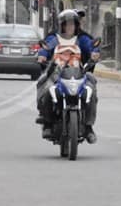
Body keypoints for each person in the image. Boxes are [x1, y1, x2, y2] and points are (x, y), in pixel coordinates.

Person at [35, 9, 100, 143]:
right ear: (61, 25)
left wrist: (94, 52)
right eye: (66, 24)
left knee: (91, 90)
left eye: (72, 24)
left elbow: (91, 45)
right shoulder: (54, 38)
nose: (70, 27)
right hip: (57, 73)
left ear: (76, 25)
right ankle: (47, 121)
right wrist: (42, 55)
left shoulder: (81, 38)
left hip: (78, 73)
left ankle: (88, 127)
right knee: (44, 85)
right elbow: (45, 48)